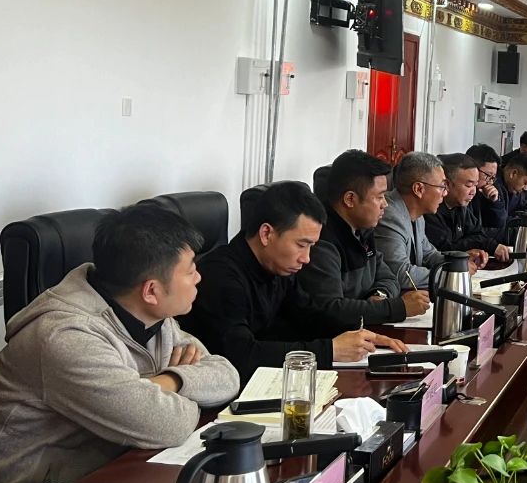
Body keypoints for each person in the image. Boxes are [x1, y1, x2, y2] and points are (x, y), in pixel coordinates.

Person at [0, 205, 241, 483]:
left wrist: (170, 380)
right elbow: (170, 424)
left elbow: (227, 376)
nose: (199, 277)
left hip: (108, 468)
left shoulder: (152, 315)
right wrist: (178, 393)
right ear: (151, 291)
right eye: (190, 270)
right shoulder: (66, 336)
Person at [184, 182, 404, 383]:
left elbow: (310, 314)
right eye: (301, 245)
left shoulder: (276, 267)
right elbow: (240, 357)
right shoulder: (220, 277)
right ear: (266, 234)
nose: (306, 258)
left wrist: (361, 334)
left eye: (311, 247)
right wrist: (330, 351)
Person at [295, 149, 430, 333]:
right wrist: (398, 307)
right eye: (379, 196)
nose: (385, 204)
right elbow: (332, 310)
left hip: (362, 331)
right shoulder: (321, 240)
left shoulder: (363, 229)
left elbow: (388, 277)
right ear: (350, 199)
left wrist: (379, 295)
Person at [376, 151, 473, 289]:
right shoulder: (389, 216)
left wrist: (458, 263)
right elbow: (401, 274)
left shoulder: (417, 215)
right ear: (418, 189)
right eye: (442, 187)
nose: (445, 193)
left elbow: (429, 254)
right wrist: (451, 275)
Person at [425, 152, 508, 263]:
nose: (473, 191)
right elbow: (446, 248)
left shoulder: (461, 206)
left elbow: (477, 233)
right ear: (447, 184)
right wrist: (479, 244)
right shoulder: (431, 209)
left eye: (475, 185)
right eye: (469, 185)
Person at [466, 143, 506, 234]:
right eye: (488, 175)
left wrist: (494, 202)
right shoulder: (460, 195)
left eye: (493, 177)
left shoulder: (484, 193)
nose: (490, 182)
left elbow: (498, 224)